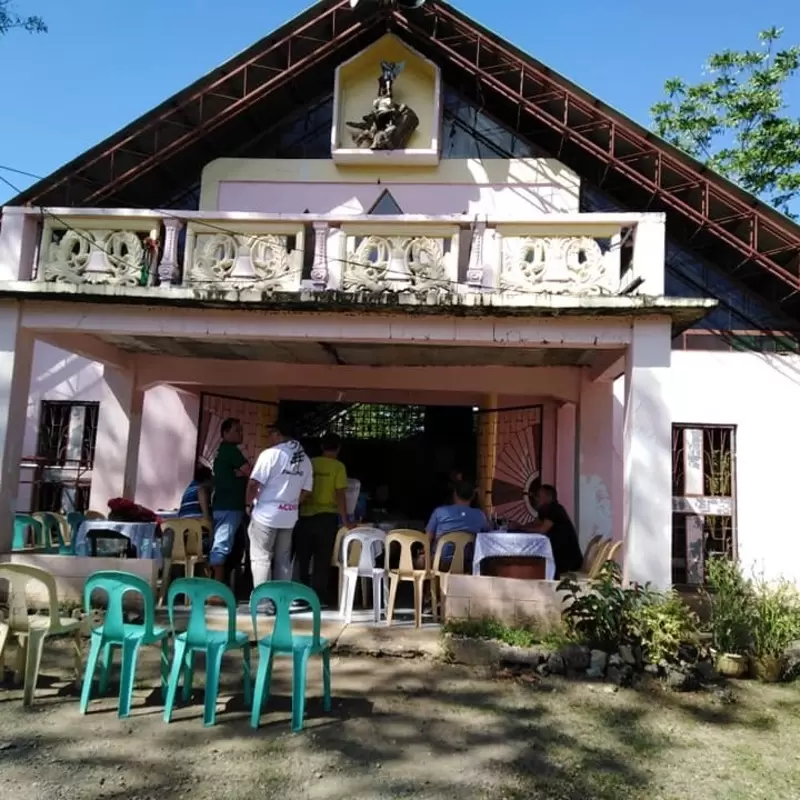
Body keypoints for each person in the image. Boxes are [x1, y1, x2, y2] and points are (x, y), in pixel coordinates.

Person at [247, 421, 313, 598]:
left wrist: (247, 504)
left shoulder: (271, 454)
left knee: (261, 558)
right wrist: (291, 503)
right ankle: (281, 601)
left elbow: (254, 484)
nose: (269, 438)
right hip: (289, 515)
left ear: (277, 433)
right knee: (283, 559)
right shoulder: (305, 460)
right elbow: (306, 491)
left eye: (270, 434)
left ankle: (263, 602)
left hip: (266, 514)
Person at [295, 433, 353, 605]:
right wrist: (345, 520)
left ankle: (300, 594)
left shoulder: (310, 463)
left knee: (302, 556)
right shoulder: (338, 467)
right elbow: (340, 494)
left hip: (304, 516)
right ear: (339, 448)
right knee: (322, 558)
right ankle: (318, 595)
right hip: (326, 517)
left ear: (322, 446)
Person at [210, 418, 250, 585]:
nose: (241, 434)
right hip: (230, 505)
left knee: (230, 545)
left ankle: (223, 582)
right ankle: (216, 587)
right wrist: (240, 473)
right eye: (236, 430)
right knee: (223, 544)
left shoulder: (221, 451)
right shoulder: (231, 451)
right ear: (225, 433)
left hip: (222, 504)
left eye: (241, 430)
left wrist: (236, 473)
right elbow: (250, 470)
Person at [424, 480, 489, 567]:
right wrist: (481, 501)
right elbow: (488, 533)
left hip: (439, 562)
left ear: (454, 494)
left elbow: (427, 539)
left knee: (417, 561)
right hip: (466, 563)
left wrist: (424, 554)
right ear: (473, 496)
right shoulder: (480, 515)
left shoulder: (439, 512)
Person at [527, 484, 583, 579]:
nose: (535, 499)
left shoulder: (554, 509)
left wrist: (520, 529)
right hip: (559, 557)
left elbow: (541, 530)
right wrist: (518, 526)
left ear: (548, 497)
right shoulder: (545, 511)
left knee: (534, 562)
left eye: (538, 496)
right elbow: (533, 525)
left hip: (567, 561)